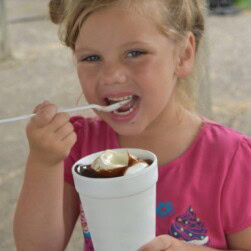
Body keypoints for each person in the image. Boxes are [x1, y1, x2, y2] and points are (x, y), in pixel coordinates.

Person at [13, 0, 251, 250]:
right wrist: (43, 161)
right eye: (92, 57)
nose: (111, 75)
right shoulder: (78, 146)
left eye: (135, 53)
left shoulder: (232, 160)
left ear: (183, 54)